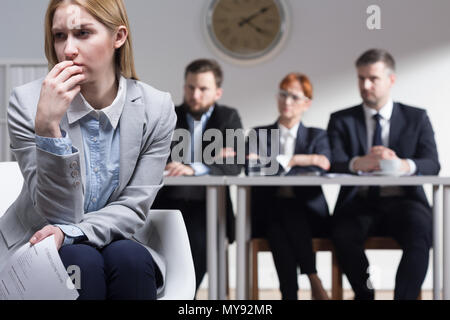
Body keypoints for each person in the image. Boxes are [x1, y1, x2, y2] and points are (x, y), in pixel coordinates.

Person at [0, 0, 176, 300]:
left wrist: (73, 233)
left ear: (118, 37)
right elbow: (57, 214)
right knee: (81, 260)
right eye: (59, 36)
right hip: (39, 239)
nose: (68, 49)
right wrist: (48, 128)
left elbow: (134, 205)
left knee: (129, 259)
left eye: (82, 33)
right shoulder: (27, 103)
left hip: (120, 238)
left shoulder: (156, 108)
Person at [327, 49, 440, 300]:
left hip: (405, 200)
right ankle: (364, 295)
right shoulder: (341, 119)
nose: (366, 85)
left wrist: (402, 165)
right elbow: (332, 161)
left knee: (422, 231)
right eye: (360, 78)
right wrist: (358, 163)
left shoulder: (416, 117)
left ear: (391, 80)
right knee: (342, 233)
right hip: (360, 201)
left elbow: (432, 163)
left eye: (373, 78)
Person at [153, 59, 243, 294]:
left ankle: (185, 298)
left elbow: (235, 165)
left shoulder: (228, 118)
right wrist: (213, 158)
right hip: (167, 201)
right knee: (157, 257)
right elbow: (154, 158)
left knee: (198, 250)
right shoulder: (168, 115)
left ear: (217, 92)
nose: (195, 94)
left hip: (208, 207)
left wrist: (195, 166)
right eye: (190, 87)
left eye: (203, 89)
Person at [248, 73, 331, 300]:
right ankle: (313, 276)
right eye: (283, 95)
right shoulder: (259, 133)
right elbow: (252, 168)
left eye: (294, 97)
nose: (286, 102)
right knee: (279, 216)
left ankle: (289, 295)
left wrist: (276, 163)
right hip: (266, 213)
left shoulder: (318, 135)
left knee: (286, 216)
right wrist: (298, 160)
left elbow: (323, 165)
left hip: (310, 215)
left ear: (307, 103)